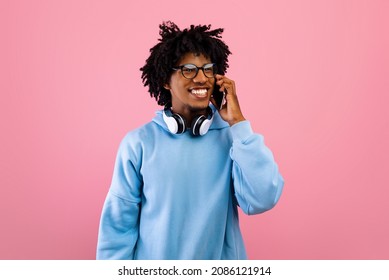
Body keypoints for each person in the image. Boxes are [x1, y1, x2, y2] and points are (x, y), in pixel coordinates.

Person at [96, 21, 284, 260]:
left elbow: (263, 198)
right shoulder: (138, 144)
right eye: (188, 70)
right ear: (166, 80)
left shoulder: (233, 139)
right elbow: (117, 228)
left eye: (207, 69)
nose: (201, 78)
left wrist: (237, 122)